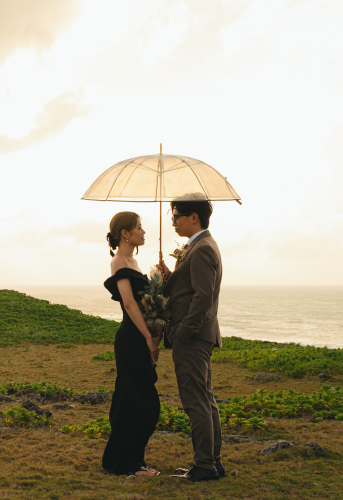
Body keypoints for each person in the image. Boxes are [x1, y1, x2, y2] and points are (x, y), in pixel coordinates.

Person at [156, 196, 224, 482]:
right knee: (205, 398)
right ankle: (213, 462)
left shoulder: (202, 248)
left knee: (195, 401)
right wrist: (170, 275)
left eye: (175, 216)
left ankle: (205, 465)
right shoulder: (199, 246)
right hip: (199, 336)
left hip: (193, 338)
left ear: (193, 217)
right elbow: (191, 287)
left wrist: (183, 331)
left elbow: (203, 297)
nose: (173, 222)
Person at [101, 211, 161, 477]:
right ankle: (128, 465)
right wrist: (148, 337)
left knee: (143, 402)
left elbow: (145, 301)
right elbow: (128, 303)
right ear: (125, 233)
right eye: (139, 227)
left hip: (140, 336)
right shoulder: (119, 262)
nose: (143, 232)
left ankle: (126, 459)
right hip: (132, 339)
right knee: (132, 401)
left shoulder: (134, 262)